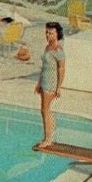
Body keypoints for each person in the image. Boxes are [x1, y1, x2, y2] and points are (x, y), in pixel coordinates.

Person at [34, 21, 66, 149]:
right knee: (45, 110)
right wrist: (39, 83)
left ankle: (48, 139)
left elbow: (62, 69)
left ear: (57, 34)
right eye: (46, 32)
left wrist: (58, 87)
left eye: (51, 33)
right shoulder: (47, 47)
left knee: (45, 110)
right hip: (45, 81)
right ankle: (49, 136)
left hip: (51, 84)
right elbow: (44, 67)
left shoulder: (58, 49)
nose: (48, 35)